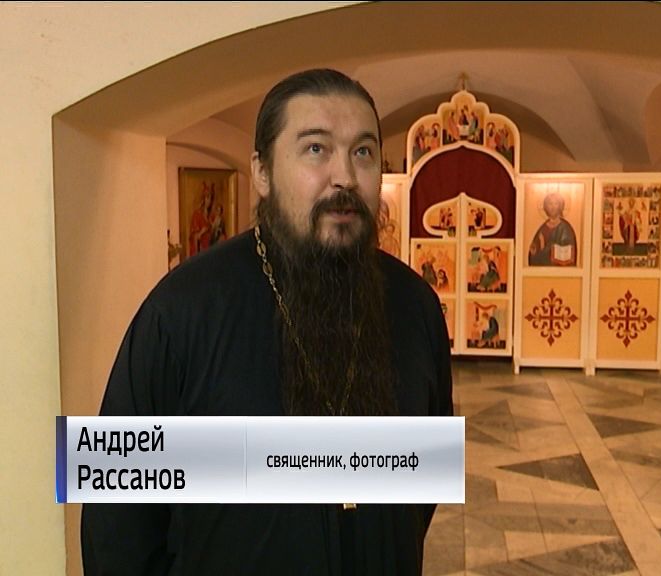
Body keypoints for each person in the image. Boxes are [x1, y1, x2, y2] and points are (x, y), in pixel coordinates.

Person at [81, 68, 453, 576]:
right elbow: (116, 521)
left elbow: (421, 491)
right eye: (316, 149)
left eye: (364, 152)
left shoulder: (415, 306)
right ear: (262, 172)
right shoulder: (182, 310)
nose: (345, 176)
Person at [528, 192, 577, 266]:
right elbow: (533, 254)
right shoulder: (542, 228)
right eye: (550, 204)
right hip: (542, 271)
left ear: (560, 206)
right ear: (546, 207)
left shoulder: (565, 228)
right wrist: (535, 250)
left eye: (556, 204)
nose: (553, 207)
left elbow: (566, 253)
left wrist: (545, 249)